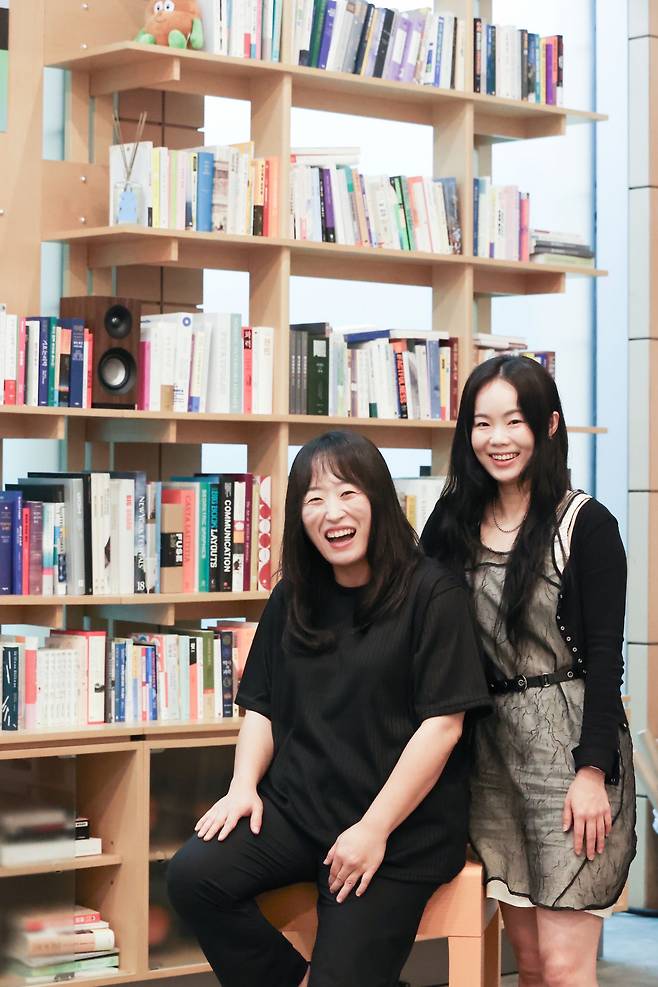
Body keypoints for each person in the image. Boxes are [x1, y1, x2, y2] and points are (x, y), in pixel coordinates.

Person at [167, 430, 491, 987]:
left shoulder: (433, 594)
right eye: (313, 499)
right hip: (299, 812)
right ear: (299, 518)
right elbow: (261, 709)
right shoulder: (293, 595)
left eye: (347, 493)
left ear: (378, 501)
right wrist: (243, 786)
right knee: (193, 877)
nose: (332, 513)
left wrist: (373, 830)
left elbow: (443, 727)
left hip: (399, 831)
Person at [421, 355, 636, 987]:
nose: (497, 438)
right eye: (482, 423)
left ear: (548, 427)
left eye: (514, 421)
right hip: (491, 764)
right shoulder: (450, 522)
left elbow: (606, 659)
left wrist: (593, 771)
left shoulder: (587, 525)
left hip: (570, 763)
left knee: (568, 971)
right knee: (534, 967)